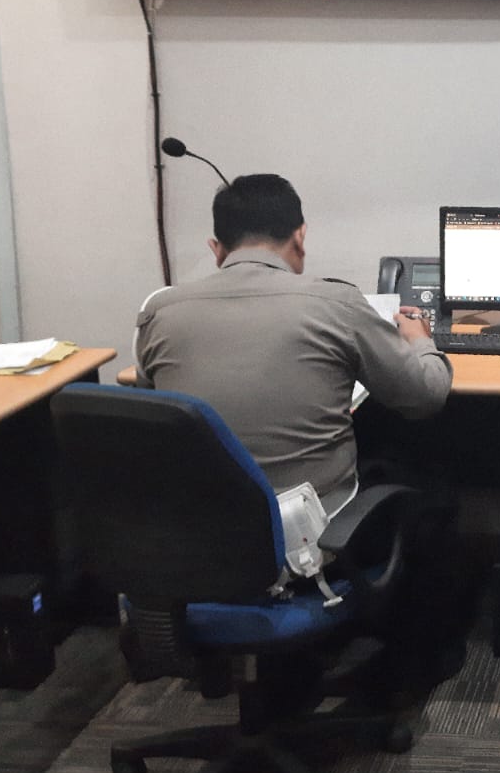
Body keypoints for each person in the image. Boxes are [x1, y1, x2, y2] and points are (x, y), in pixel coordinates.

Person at [133, 173, 452, 519]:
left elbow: (155, 412)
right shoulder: (338, 303)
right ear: (300, 237)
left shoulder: (158, 312)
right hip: (307, 528)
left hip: (197, 526)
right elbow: (424, 397)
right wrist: (420, 340)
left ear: (216, 249)